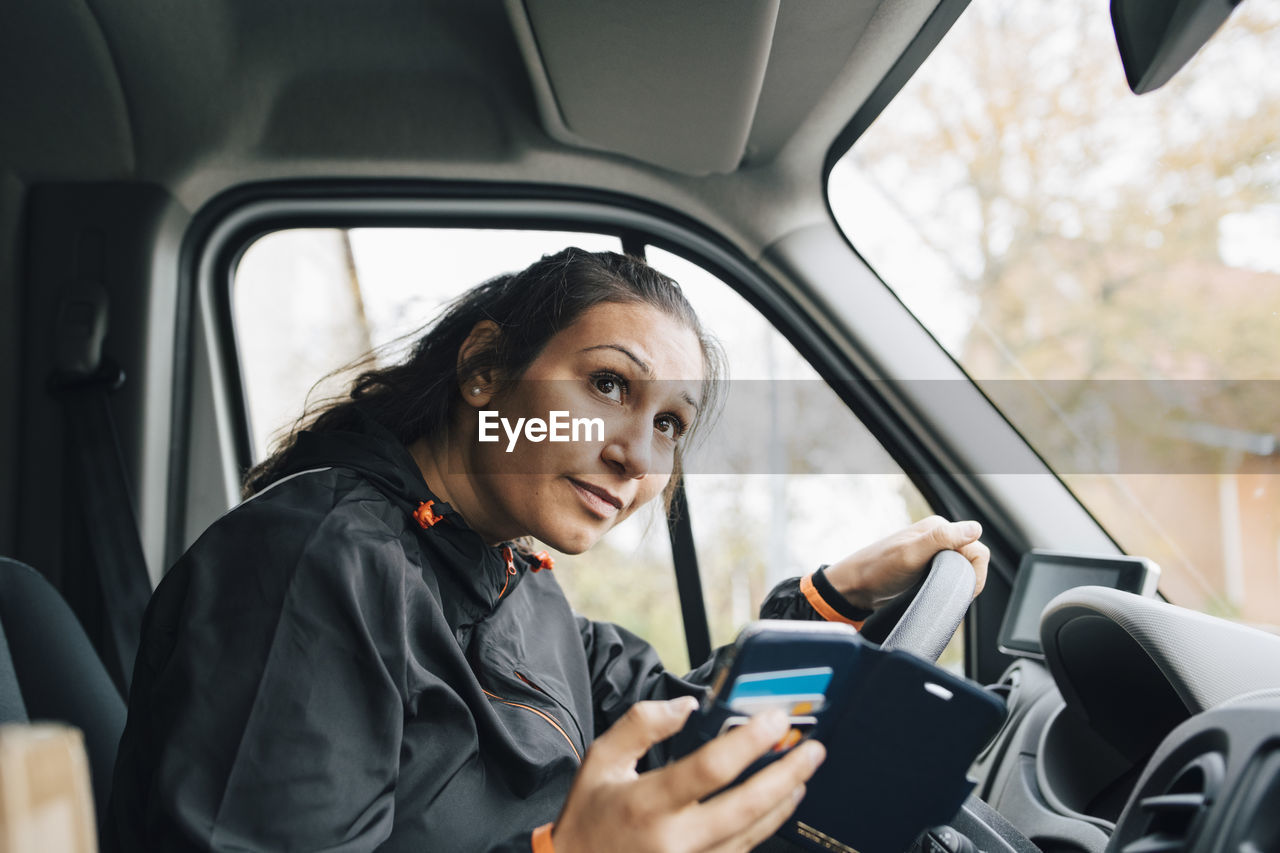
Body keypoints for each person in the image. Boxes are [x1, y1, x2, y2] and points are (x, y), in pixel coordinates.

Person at [106, 248, 988, 853]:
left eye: (669, 425)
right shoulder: (317, 562)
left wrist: (832, 597)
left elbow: (682, 718)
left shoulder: (513, 582)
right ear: (485, 370)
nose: (638, 456)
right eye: (609, 385)